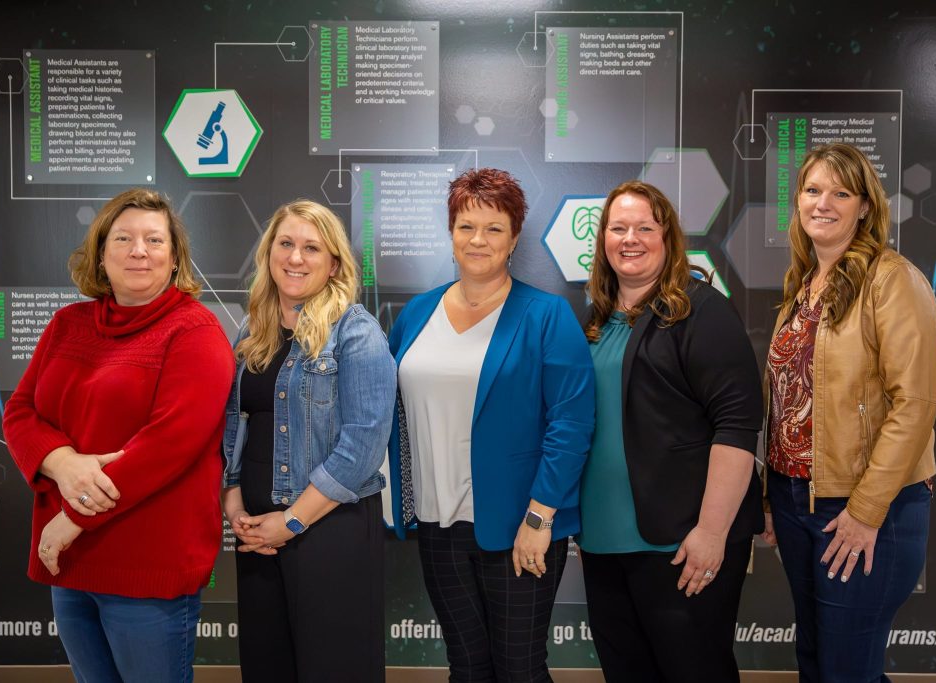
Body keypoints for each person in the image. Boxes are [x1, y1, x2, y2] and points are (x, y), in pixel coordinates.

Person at [2, 189, 234, 682]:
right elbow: (20, 412)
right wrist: (61, 462)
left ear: (174, 259)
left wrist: (73, 519)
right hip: (70, 562)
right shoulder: (68, 324)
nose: (138, 250)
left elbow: (169, 444)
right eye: (123, 238)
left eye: (154, 239)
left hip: (145, 565)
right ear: (102, 253)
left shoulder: (194, 331)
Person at [388, 167, 595, 682]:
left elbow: (570, 423)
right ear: (451, 232)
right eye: (466, 226)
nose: (478, 240)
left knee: (519, 669)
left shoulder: (546, 315)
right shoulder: (416, 314)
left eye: (494, 228)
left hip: (519, 527)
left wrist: (539, 519)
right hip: (438, 526)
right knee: (467, 666)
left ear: (514, 238)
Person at [762, 142, 936, 682]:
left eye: (841, 192)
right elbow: (787, 397)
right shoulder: (803, 286)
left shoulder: (891, 279)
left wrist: (865, 510)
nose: (823, 202)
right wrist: (772, 494)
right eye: (812, 190)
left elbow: (915, 403)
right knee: (818, 661)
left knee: (844, 670)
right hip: (796, 498)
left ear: (865, 206)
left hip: (864, 507)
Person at [577, 180, 763, 682]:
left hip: (681, 544)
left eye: (645, 227)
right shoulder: (594, 322)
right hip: (603, 541)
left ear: (669, 238)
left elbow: (738, 425)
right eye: (618, 228)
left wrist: (711, 532)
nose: (630, 238)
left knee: (694, 672)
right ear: (603, 241)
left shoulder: (702, 311)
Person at [221, 199, 395, 682]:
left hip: (328, 530)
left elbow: (363, 445)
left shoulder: (355, 331)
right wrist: (234, 504)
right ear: (269, 252)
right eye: (286, 243)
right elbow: (236, 420)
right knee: (266, 666)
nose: (296, 257)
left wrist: (292, 521)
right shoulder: (252, 329)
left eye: (311, 248)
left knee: (333, 669)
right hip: (257, 533)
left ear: (333, 262)